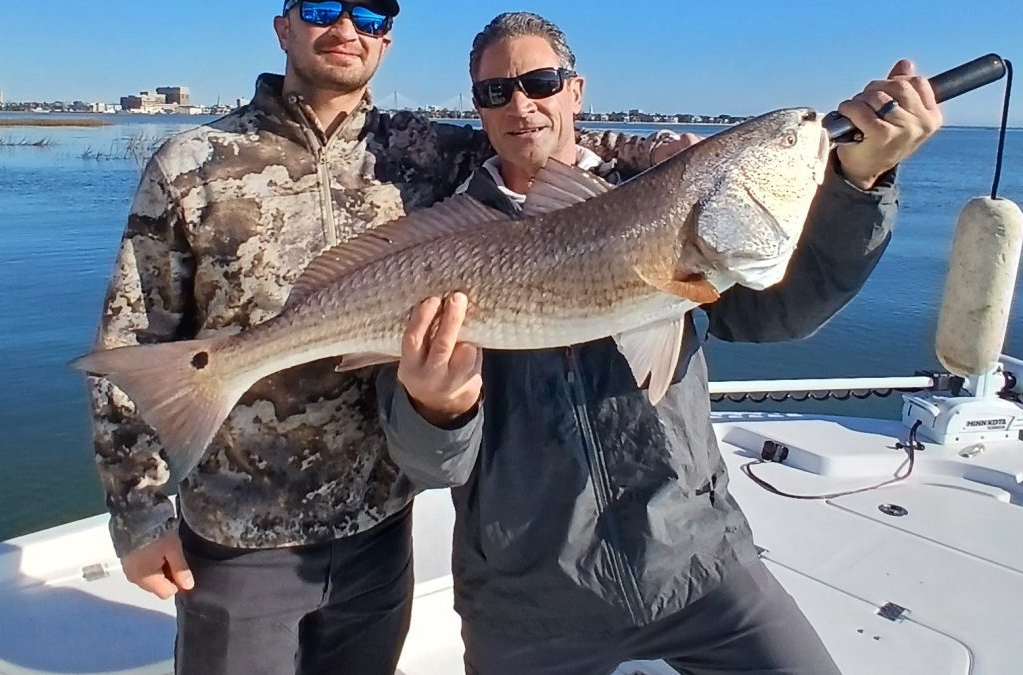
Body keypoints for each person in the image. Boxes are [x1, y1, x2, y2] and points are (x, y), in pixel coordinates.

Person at [85, 3, 675, 674]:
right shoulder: (193, 162)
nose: (345, 29)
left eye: (368, 14)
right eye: (320, 9)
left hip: (379, 530)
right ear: (284, 27)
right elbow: (132, 341)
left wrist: (665, 156)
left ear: (386, 39)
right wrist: (137, 511)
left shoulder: (434, 154)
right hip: (238, 534)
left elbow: (549, 134)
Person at [378, 11, 943, 675]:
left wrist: (858, 185)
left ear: (575, 90)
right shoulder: (436, 244)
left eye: (540, 81)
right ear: (477, 106)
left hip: (698, 562)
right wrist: (436, 407)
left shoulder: (664, 197)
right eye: (495, 91)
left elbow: (778, 314)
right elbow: (429, 466)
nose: (521, 103)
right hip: (525, 598)